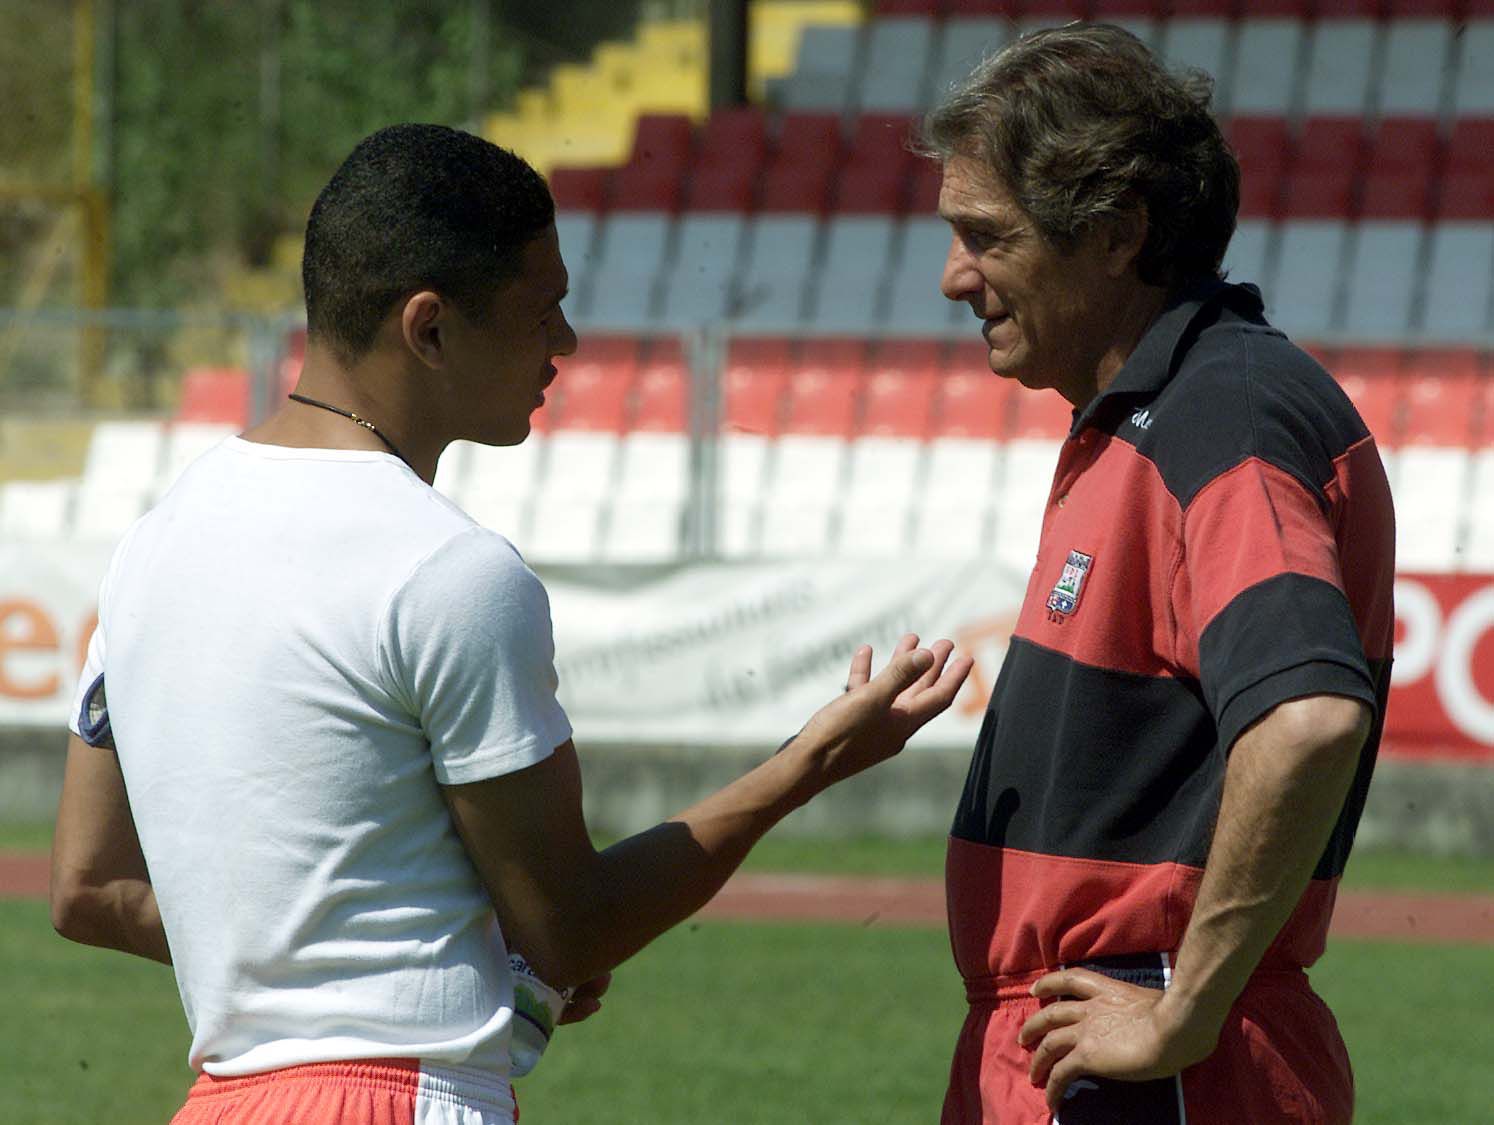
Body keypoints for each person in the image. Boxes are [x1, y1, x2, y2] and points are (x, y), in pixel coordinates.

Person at [48, 122, 973, 1125]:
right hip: (401, 1104)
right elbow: (574, 932)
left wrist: (396, 967)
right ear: (430, 328)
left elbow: (89, 888)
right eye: (545, 309)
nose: (567, 345)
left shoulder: (151, 544)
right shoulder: (446, 570)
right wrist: (814, 759)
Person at [920, 25, 1393, 1125]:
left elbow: (1310, 718)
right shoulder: (1156, 412)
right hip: (1094, 1041)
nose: (954, 278)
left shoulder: (1221, 414)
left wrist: (1182, 1010)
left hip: (1156, 1060)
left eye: (987, 237)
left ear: (1119, 232)